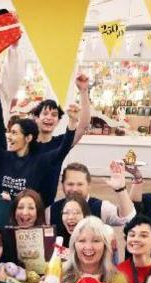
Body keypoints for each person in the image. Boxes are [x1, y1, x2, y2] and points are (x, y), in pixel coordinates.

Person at [0, 89, 78, 200]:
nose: (9, 136)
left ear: (28, 138)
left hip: (25, 215)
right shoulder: (3, 158)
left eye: (15, 133)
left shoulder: (39, 162)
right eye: (10, 132)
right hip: (0, 214)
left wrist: (73, 121)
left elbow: (63, 149)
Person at [30, 75, 92, 204]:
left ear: (58, 121)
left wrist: (83, 91)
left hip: (47, 205)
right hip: (25, 202)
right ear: (36, 118)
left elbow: (83, 125)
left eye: (54, 115)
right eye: (45, 114)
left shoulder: (60, 143)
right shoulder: (27, 142)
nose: (49, 118)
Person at [54, 216, 133, 283]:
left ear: (105, 246)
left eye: (96, 241)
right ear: (74, 245)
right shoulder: (59, 273)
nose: (88, 247)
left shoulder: (118, 281)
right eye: (82, 241)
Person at [46, 162, 135, 231]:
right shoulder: (51, 211)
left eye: (80, 184)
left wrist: (120, 189)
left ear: (88, 185)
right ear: (63, 185)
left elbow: (128, 218)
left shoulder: (101, 208)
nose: (75, 189)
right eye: (70, 184)